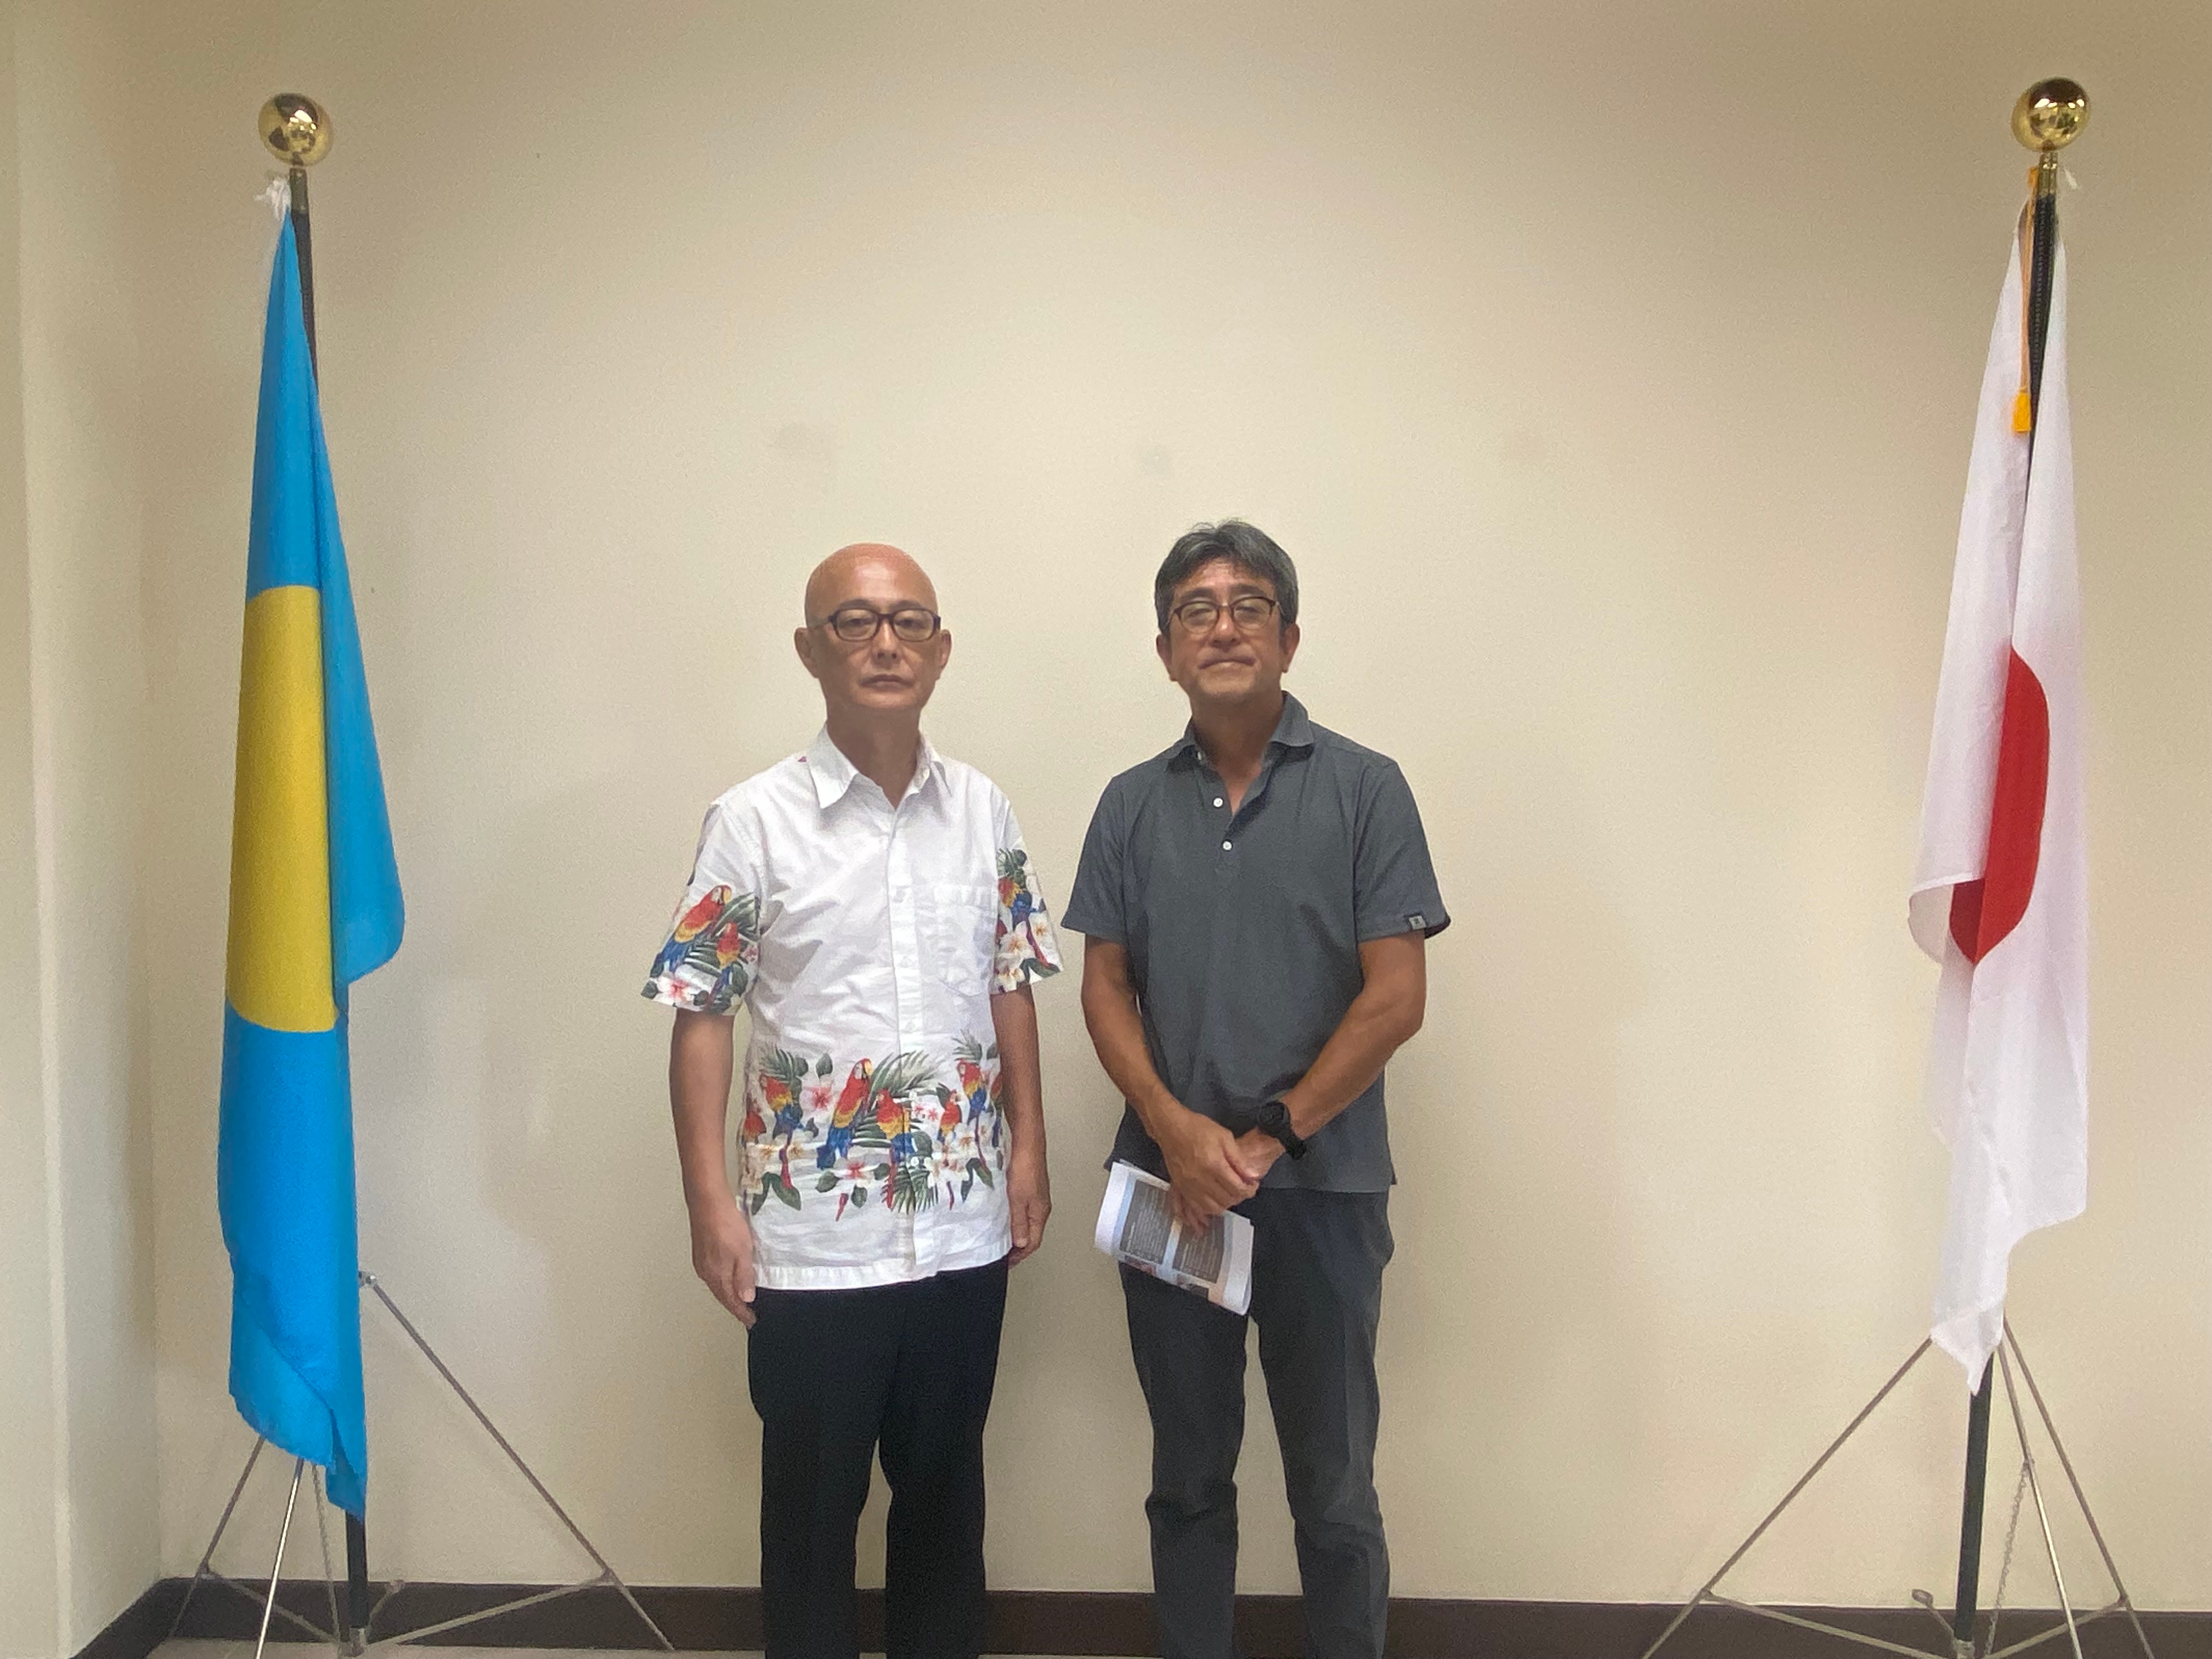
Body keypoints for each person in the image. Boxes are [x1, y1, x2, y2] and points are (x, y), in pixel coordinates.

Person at [645, 543, 1060, 1659]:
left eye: (909, 621)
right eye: (855, 622)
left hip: (962, 1233)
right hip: (815, 1250)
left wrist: (1029, 1151)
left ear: (942, 649)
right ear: (809, 649)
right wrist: (709, 1205)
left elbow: (1011, 983)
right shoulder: (753, 821)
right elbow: (702, 1013)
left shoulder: (984, 812)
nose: (886, 643)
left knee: (946, 1518)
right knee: (810, 1529)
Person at [1060, 520, 1446, 1659]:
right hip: (1167, 1189)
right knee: (1187, 1476)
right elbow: (1104, 987)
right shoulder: (1129, 804)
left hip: (1323, 1192)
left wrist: (1270, 1136)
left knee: (1334, 1487)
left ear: (1289, 636)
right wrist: (1176, 1132)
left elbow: (1397, 996)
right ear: (1165, 649)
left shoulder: (1367, 789)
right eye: (1196, 609)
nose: (1223, 627)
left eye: (1248, 606)